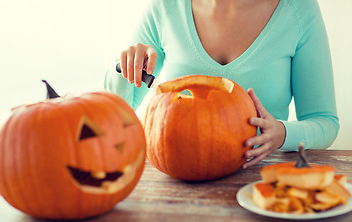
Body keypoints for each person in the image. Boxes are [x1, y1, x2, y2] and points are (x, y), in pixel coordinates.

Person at [102, 0, 339, 168]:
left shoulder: (299, 9)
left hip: (260, 179)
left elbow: (325, 122)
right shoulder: (165, 7)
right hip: (177, 179)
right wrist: (123, 66)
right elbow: (113, 113)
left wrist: (283, 134)